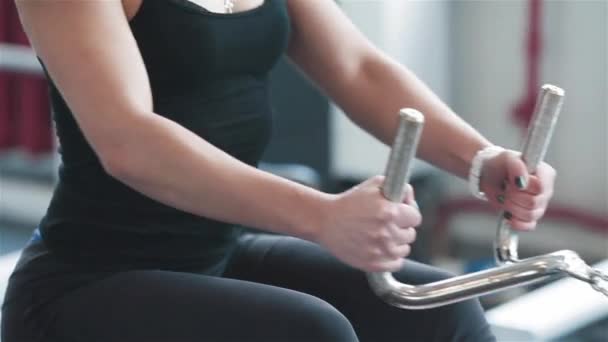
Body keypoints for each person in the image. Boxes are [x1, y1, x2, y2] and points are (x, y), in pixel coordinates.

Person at [2, 0, 557, 341]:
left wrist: (481, 161)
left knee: (438, 310)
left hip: (217, 253)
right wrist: (322, 216)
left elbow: (357, 67)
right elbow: (129, 140)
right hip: (86, 283)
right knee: (310, 332)